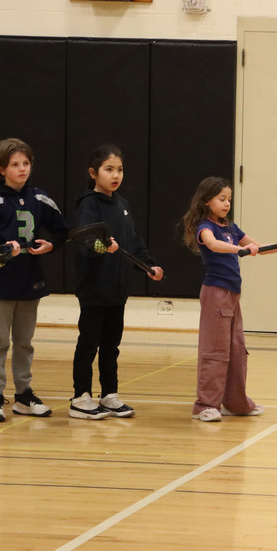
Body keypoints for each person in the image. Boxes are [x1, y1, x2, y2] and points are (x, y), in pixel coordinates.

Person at [179, 176, 277, 422]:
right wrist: (240, 249)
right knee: (215, 350)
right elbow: (213, 244)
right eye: (221, 199)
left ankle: (236, 403)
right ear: (207, 201)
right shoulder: (205, 227)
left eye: (229, 199)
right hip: (215, 293)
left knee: (236, 350)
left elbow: (260, 247)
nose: (227, 203)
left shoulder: (231, 228)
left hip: (232, 295)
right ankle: (205, 405)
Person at [0, 138, 70, 423]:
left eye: (26, 163)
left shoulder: (40, 198)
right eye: (15, 164)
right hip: (1, 283)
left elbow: (62, 231)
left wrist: (51, 245)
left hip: (30, 281)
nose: (22, 169)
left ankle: (24, 395)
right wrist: (3, 250)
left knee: (24, 342)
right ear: (1, 169)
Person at [70, 144, 163, 420]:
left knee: (111, 346)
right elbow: (85, 240)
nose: (115, 175)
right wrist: (103, 247)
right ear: (93, 173)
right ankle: (80, 396)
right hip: (94, 288)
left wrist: (149, 265)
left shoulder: (122, 205)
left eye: (119, 170)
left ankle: (109, 394)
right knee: (89, 343)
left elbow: (134, 241)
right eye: (108, 169)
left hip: (117, 289)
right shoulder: (89, 204)